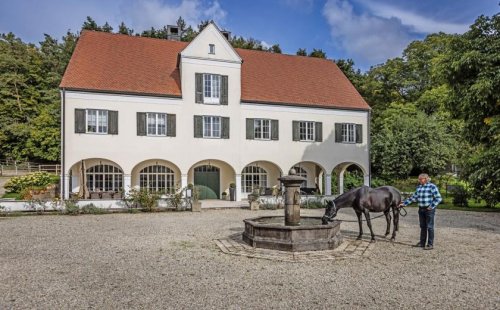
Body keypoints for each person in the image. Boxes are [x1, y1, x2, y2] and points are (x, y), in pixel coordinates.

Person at [399, 173, 442, 250]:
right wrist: (403, 204)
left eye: (420, 179)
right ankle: (422, 243)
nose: (419, 180)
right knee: (423, 226)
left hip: (429, 209)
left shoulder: (432, 186)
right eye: (419, 179)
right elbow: (413, 198)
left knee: (430, 227)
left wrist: (431, 206)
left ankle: (430, 244)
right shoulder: (419, 187)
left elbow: (438, 198)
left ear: (425, 179)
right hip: (421, 209)